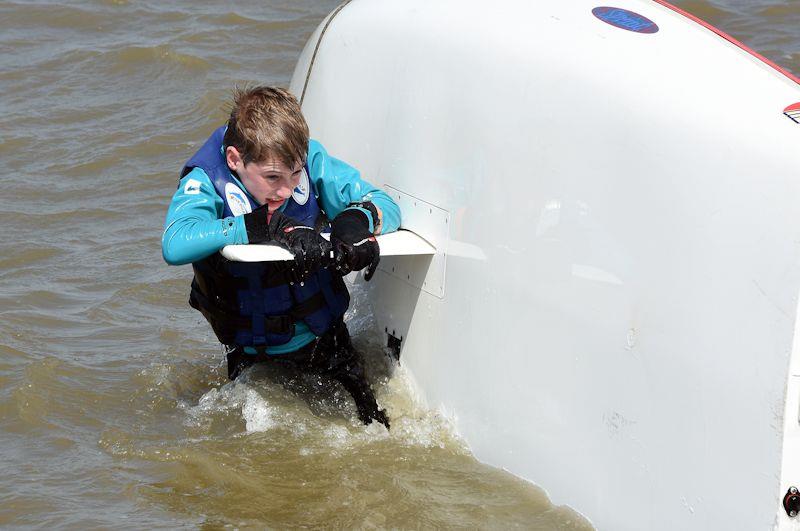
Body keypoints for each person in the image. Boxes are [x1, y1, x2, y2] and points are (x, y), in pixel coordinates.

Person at [162, 86, 400, 428]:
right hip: (250, 356)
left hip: (326, 340)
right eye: (272, 177)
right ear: (234, 160)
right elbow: (175, 242)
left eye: (295, 174)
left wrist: (355, 222)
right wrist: (261, 226)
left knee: (377, 430)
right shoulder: (206, 181)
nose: (287, 190)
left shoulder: (310, 160)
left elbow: (387, 204)